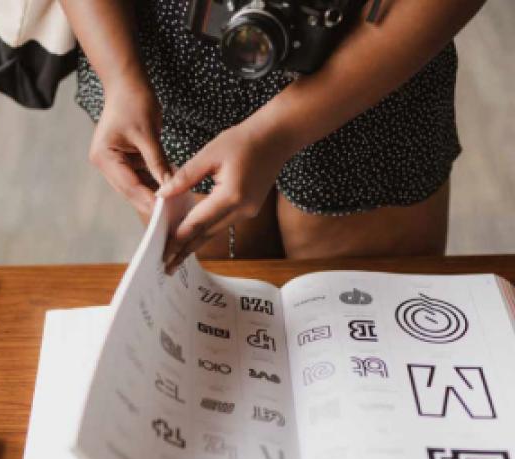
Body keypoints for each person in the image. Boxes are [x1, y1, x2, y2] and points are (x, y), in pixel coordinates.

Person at [60, 0, 485, 274]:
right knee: (220, 310)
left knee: (369, 326)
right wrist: (120, 77)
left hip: (371, 68)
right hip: (163, 69)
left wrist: (276, 133)